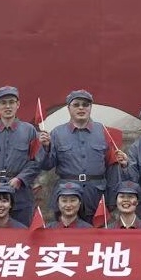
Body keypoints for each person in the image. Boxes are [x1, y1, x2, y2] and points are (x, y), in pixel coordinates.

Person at [40, 90, 120, 220]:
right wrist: (46, 147)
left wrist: (111, 199)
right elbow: (46, 165)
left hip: (95, 195)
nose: (81, 108)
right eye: (76, 105)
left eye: (85, 104)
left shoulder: (103, 131)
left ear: (90, 107)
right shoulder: (57, 133)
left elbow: (112, 167)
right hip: (67, 195)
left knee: (95, 231)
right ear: (68, 108)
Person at [0, 86, 44, 228]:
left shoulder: (29, 130)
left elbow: (36, 161)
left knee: (22, 233)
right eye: (3, 103)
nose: (8, 106)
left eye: (11, 102)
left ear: (17, 104)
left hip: (21, 193)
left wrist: (20, 179)